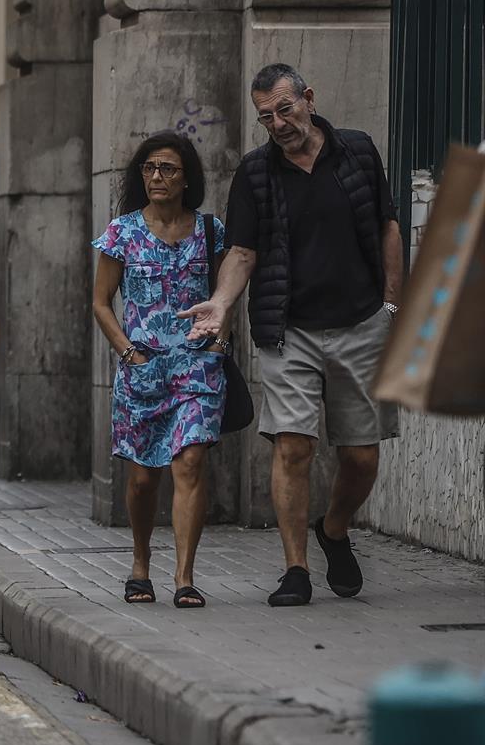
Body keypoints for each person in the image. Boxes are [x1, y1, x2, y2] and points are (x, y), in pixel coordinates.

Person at [183, 63, 403, 607]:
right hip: (288, 330)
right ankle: (296, 569)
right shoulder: (255, 174)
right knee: (293, 446)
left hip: (361, 322)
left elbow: (387, 227)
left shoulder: (357, 151)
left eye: (284, 109)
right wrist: (221, 302)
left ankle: (333, 528)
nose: (277, 123)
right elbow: (242, 252)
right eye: (265, 116)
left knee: (361, 457)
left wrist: (393, 303)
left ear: (309, 97)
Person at [91, 133, 225, 610]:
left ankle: (185, 578)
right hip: (142, 370)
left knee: (190, 462)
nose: (156, 178)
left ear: (187, 177)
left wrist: (219, 333)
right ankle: (140, 563)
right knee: (144, 479)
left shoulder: (211, 231)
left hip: (196, 367)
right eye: (149, 169)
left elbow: (228, 290)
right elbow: (101, 302)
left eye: (167, 169)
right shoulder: (122, 232)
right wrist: (128, 353)